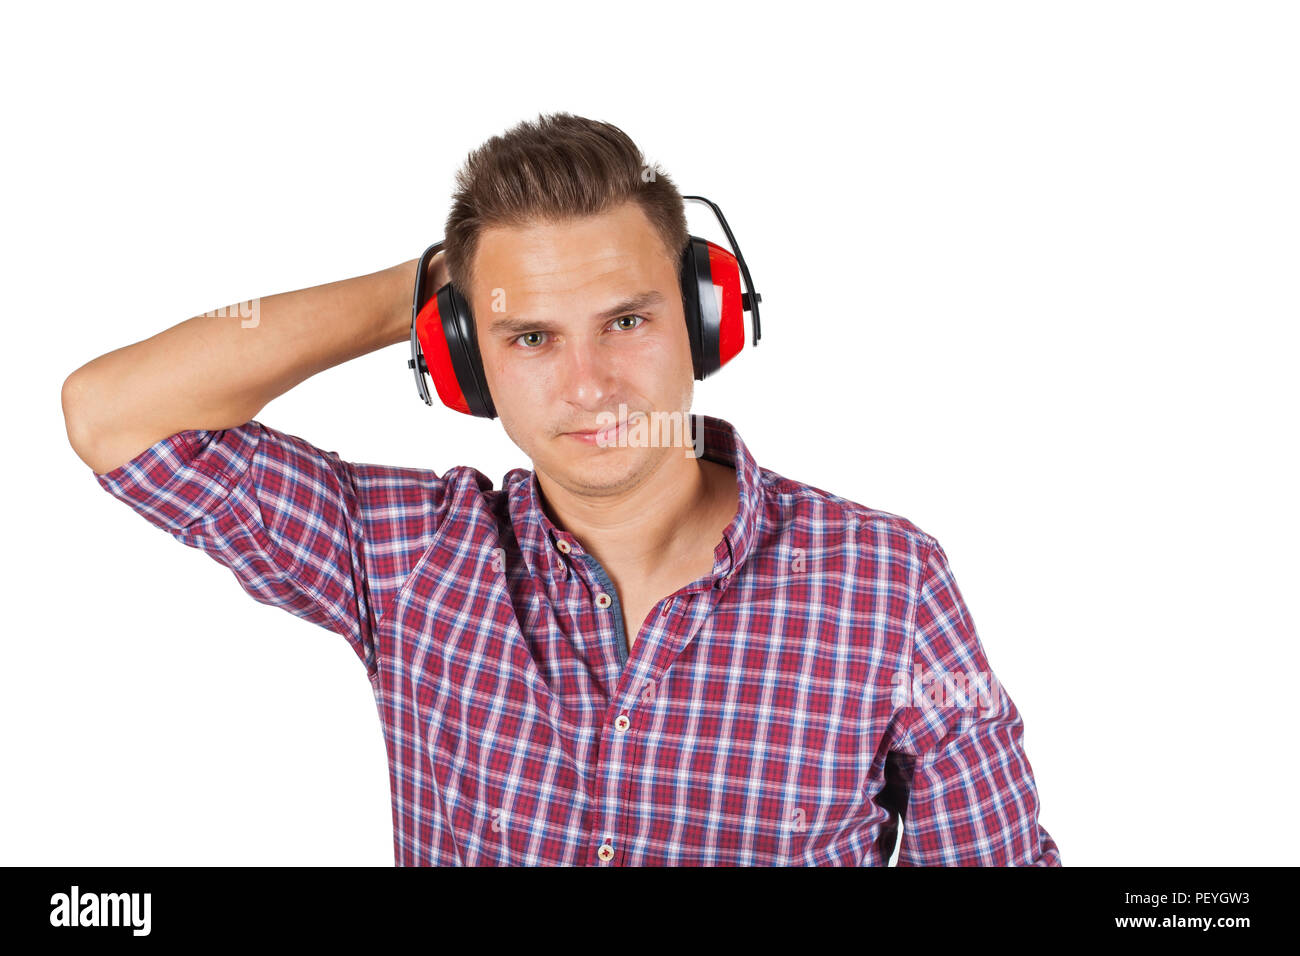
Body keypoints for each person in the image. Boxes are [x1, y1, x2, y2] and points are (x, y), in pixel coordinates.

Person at [61, 111, 1060, 866]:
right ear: (463, 358)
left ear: (706, 319)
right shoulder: (412, 555)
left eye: (625, 320)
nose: (588, 385)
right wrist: (420, 289)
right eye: (529, 334)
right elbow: (115, 412)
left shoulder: (887, 583)